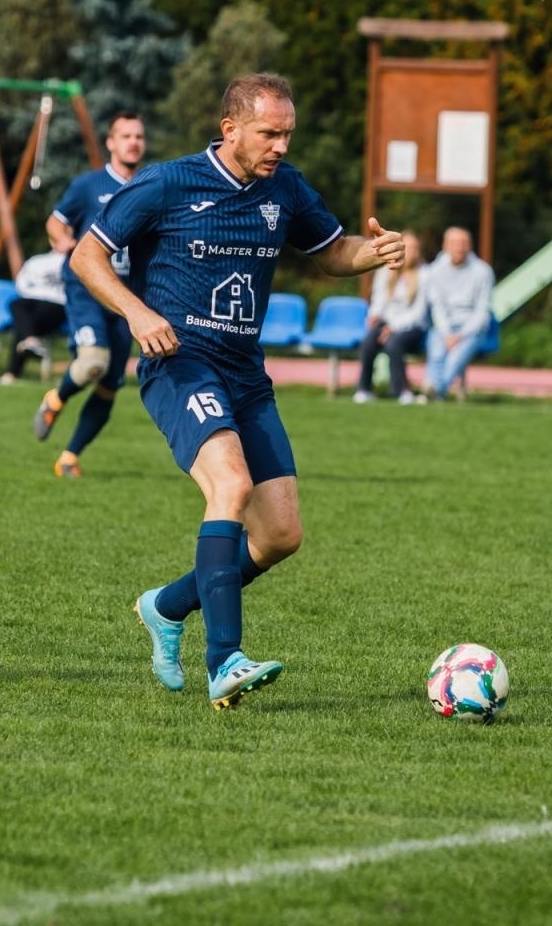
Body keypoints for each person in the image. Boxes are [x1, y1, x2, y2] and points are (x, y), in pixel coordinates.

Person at [70, 73, 404, 710]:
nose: (280, 145)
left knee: (281, 535)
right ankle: (224, 661)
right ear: (230, 130)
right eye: (268, 133)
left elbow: (331, 252)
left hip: (245, 375)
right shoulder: (168, 183)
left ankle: (166, 607)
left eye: (287, 133)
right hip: (180, 365)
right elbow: (88, 256)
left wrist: (375, 251)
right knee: (231, 485)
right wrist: (138, 315)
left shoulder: (286, 188)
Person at [33, 112, 148, 478]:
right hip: (86, 288)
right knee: (93, 362)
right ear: (111, 143)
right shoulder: (88, 185)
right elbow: (56, 219)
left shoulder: (151, 184)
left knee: (110, 384)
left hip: (126, 297)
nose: (133, 142)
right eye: (125, 136)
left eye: (138, 136)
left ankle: (69, 457)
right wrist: (61, 239)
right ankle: (57, 398)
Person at [353, 230, 428, 405]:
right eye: (407, 247)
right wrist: (374, 316)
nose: (410, 252)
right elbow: (379, 301)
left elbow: (419, 313)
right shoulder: (386, 271)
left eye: (414, 248)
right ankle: (364, 389)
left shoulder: (425, 275)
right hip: (387, 322)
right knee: (368, 342)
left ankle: (401, 390)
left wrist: (393, 327)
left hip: (413, 326)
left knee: (394, 344)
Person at [421, 226, 494, 402]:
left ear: (470, 246)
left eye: (463, 243)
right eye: (454, 243)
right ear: (445, 245)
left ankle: (433, 390)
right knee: (437, 352)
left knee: (455, 358)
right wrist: (447, 334)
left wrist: (460, 335)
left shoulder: (483, 271)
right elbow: (437, 306)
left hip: (472, 330)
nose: (459, 248)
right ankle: (435, 393)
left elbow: (482, 310)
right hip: (443, 326)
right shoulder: (435, 270)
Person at [1, 249, 67, 385]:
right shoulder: (38, 261)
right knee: (15, 304)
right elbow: (22, 285)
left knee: (23, 325)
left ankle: (12, 372)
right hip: (33, 303)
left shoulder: (73, 260)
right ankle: (31, 341)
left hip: (59, 305)